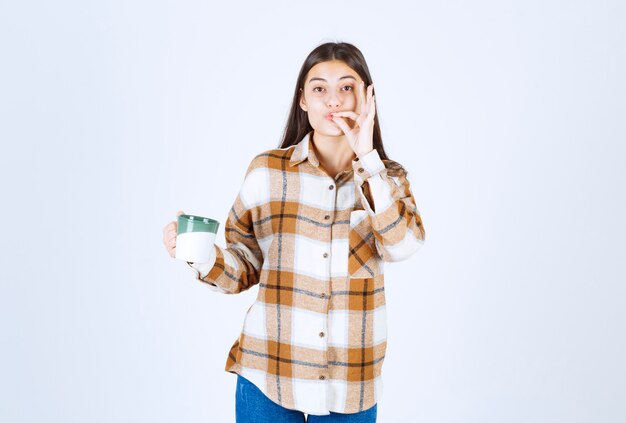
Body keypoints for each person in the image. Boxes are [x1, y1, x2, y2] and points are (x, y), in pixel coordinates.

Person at [162, 41, 426, 423]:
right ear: (302, 100)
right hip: (267, 369)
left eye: (346, 87)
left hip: (350, 381)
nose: (332, 100)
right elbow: (245, 267)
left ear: (368, 98)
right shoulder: (267, 172)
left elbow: (403, 245)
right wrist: (202, 257)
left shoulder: (389, 179)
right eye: (319, 88)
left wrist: (367, 159)